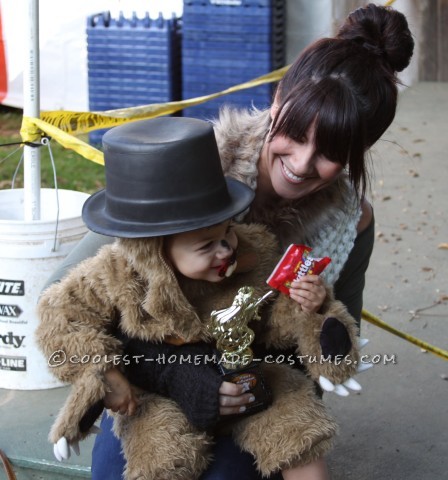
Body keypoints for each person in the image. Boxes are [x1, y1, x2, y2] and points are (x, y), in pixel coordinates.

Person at [42, 4, 414, 479]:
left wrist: (273, 376)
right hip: (152, 376)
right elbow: (68, 302)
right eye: (296, 134)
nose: (301, 163)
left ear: (358, 153)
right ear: (278, 97)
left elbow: (326, 349)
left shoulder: (349, 225)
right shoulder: (192, 171)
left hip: (254, 386)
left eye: (330, 153)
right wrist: (175, 376)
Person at [37, 116, 361, 480]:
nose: (226, 250)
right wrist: (103, 371)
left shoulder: (254, 253)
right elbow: (60, 318)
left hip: (248, 376)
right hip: (155, 395)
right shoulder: (112, 275)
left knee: (297, 434)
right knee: (160, 456)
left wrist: (313, 308)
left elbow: (278, 320)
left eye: (228, 233)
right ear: (153, 251)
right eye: (207, 245)